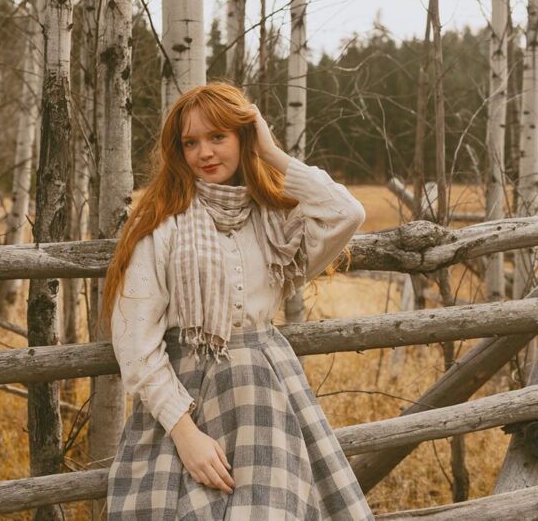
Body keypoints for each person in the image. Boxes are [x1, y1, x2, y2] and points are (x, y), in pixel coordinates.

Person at [103, 83, 373, 519]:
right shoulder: (161, 223)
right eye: (190, 143)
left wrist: (270, 152)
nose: (204, 153)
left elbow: (347, 213)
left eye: (218, 137)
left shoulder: (276, 222)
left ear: (243, 138)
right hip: (184, 399)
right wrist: (185, 434)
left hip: (267, 397)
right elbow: (135, 342)